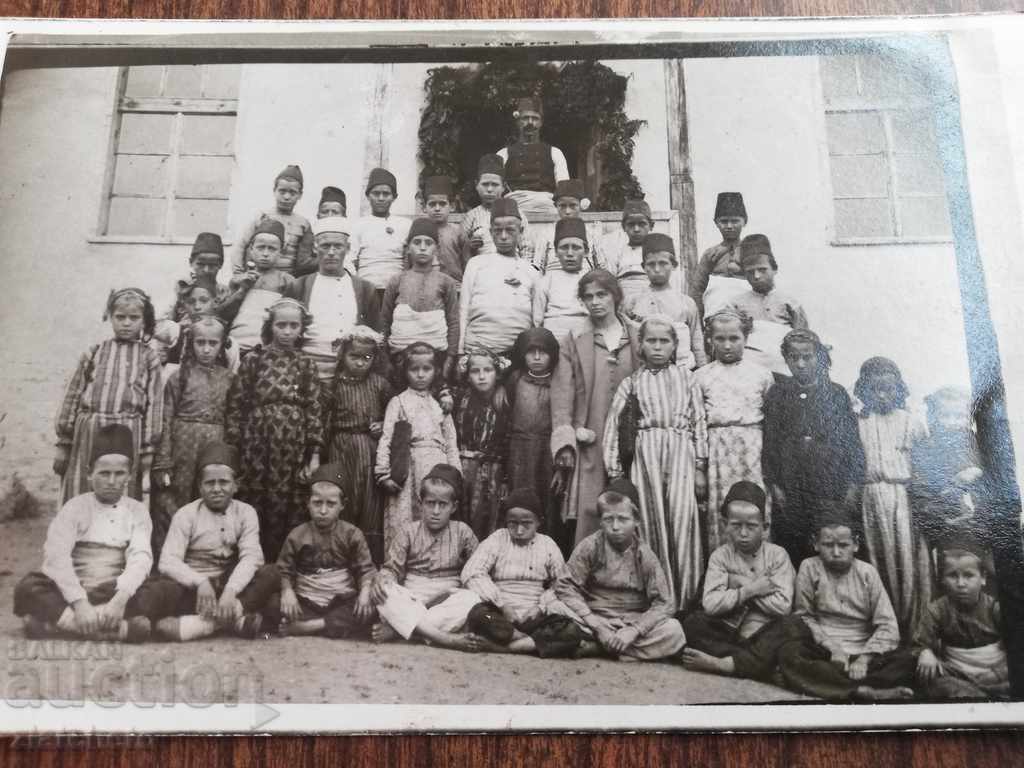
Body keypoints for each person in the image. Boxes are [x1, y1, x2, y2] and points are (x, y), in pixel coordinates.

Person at [14, 425, 163, 642]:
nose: (111, 482)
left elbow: (140, 557)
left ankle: (61, 625)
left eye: (119, 474)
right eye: (104, 473)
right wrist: (80, 603)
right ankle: (116, 630)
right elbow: (56, 558)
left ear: (130, 476)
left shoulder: (137, 511)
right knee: (28, 586)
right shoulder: (74, 507)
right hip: (75, 588)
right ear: (89, 474)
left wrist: (120, 600)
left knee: (162, 588)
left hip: (113, 591)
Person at [602, 315, 707, 612]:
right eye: (651, 341)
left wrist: (700, 465)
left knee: (682, 521)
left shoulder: (687, 378)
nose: (658, 347)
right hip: (645, 453)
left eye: (664, 341)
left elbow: (699, 420)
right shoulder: (632, 383)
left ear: (675, 346)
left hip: (680, 451)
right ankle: (656, 600)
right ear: (641, 346)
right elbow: (613, 425)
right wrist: (616, 473)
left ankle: (686, 601)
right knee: (649, 521)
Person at [777, 511, 916, 701]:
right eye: (828, 545)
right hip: (824, 649)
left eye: (843, 545)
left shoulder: (867, 572)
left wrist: (864, 659)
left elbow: (888, 625)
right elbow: (804, 616)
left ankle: (835, 686)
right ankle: (861, 691)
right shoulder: (809, 567)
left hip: (865, 649)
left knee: (910, 659)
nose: (836, 552)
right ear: (816, 544)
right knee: (789, 653)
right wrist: (833, 648)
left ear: (856, 545)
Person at [225, 298, 322, 562]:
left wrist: (313, 454)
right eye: (281, 325)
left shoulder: (306, 364)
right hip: (257, 440)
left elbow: (313, 408)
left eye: (294, 326)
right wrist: (236, 446)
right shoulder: (254, 359)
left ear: (302, 329)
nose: (287, 331)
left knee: (288, 498)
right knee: (255, 494)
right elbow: (236, 405)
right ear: (271, 326)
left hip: (293, 442)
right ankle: (251, 560)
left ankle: (284, 564)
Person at [551, 269, 641, 547]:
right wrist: (566, 439)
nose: (595, 302)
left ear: (616, 296)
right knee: (590, 506)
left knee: (631, 500)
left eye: (602, 294)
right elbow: (562, 392)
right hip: (590, 432)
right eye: (588, 297)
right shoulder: (575, 338)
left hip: (633, 434)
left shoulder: (638, 335)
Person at [155, 441, 279, 641]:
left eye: (224, 482)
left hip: (228, 589)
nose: (217, 489)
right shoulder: (186, 514)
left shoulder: (246, 512)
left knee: (272, 573)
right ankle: (236, 620)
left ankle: (203, 625)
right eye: (209, 483)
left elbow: (252, 557)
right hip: (195, 591)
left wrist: (231, 591)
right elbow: (167, 561)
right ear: (199, 486)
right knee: (159, 591)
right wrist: (200, 582)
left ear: (235, 485)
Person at [552, 480, 686, 661]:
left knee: (674, 630)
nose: (615, 527)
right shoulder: (590, 546)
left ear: (636, 520)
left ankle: (598, 649)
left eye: (623, 519)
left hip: (631, 621)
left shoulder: (645, 555)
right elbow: (565, 586)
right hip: (594, 617)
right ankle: (618, 648)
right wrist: (598, 626)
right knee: (554, 607)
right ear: (601, 521)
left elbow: (664, 603)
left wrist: (634, 630)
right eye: (608, 519)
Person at [680, 481, 801, 681]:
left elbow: (782, 606)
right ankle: (758, 665)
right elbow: (710, 604)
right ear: (725, 524)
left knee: (793, 627)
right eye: (736, 525)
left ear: (765, 527)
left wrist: (737, 583)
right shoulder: (720, 556)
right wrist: (751, 589)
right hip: (730, 632)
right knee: (693, 623)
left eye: (751, 526)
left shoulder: (778, 556)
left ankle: (725, 664)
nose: (743, 533)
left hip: (765, 632)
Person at [763, 329, 864, 567]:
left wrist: (853, 484)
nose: (800, 364)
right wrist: (775, 483)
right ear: (785, 359)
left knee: (828, 531)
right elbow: (770, 441)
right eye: (793, 357)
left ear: (818, 357)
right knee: (793, 532)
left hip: (829, 477)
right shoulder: (777, 394)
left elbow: (851, 442)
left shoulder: (836, 393)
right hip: (791, 477)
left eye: (807, 357)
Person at [54, 288, 163, 505]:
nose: (126, 323)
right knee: (84, 487)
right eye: (120, 317)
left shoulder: (149, 357)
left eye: (134, 318)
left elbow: (154, 404)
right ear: (110, 317)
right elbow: (73, 395)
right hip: (89, 432)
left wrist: (148, 450)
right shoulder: (94, 352)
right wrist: (64, 442)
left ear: (144, 320)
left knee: (121, 490)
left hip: (128, 433)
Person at [854, 356, 932, 634]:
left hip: (903, 498)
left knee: (907, 559)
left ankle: (914, 626)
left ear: (899, 389)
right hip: (872, 497)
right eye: (875, 389)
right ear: (864, 391)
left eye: (889, 388)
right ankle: (886, 625)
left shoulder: (911, 422)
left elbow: (924, 463)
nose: (882, 395)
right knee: (878, 557)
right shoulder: (860, 422)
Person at [371, 464, 485, 651]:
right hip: (413, 595)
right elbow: (392, 568)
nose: (436, 511)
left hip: (447, 597)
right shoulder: (408, 531)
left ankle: (401, 629)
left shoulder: (463, 532)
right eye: (431, 503)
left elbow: (477, 570)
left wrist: (454, 591)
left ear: (454, 506)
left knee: (472, 599)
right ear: (420, 503)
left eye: (443, 505)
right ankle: (445, 638)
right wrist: (383, 580)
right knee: (385, 593)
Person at [151, 315, 235, 561]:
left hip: (213, 446)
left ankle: (201, 559)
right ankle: (166, 560)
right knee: (173, 500)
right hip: (182, 446)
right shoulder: (179, 376)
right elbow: (165, 417)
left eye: (213, 343)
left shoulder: (229, 377)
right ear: (191, 343)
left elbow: (232, 419)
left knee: (208, 499)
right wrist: (163, 460)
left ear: (222, 344)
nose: (206, 349)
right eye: (200, 343)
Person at [693, 310, 775, 553]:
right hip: (718, 451)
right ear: (710, 341)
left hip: (753, 449)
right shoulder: (701, 376)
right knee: (722, 509)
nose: (727, 345)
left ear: (746, 338)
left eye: (734, 338)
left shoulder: (762, 375)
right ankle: (723, 570)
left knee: (757, 506)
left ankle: (762, 569)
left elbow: (771, 422)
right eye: (720, 339)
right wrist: (700, 466)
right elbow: (697, 423)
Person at [264, 463, 377, 638]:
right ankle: (329, 626)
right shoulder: (297, 535)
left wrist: (365, 592)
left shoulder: (352, 534)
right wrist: (287, 592)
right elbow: (283, 570)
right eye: (317, 503)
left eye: (331, 504)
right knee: (272, 603)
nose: (323, 510)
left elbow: (366, 570)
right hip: (306, 601)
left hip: (340, 601)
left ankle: (307, 627)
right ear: (308, 503)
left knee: (371, 606)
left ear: (342, 505)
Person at [460, 490, 576, 656]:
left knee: (570, 628)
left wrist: (540, 607)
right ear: (506, 521)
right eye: (513, 523)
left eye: (526, 523)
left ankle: (503, 647)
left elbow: (561, 583)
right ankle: (529, 642)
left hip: (533, 615)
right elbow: (472, 572)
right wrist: (502, 605)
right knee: (478, 615)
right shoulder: (498, 539)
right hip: (500, 614)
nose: (519, 530)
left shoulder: (547, 544)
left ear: (539, 522)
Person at [375, 342, 461, 551]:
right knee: (405, 517)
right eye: (414, 369)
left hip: (437, 468)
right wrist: (383, 473)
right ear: (405, 372)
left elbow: (451, 443)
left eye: (427, 369)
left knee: (434, 513)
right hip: (408, 468)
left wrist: (456, 475)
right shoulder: (399, 401)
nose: (421, 375)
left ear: (436, 371)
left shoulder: (441, 404)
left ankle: (432, 564)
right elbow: (386, 438)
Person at [321, 326, 393, 563]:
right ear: (343, 356)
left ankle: (367, 560)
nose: (360, 363)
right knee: (343, 497)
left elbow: (393, 414)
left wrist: (383, 424)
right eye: (354, 356)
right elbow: (324, 420)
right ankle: (339, 556)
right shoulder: (334, 385)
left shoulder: (380, 384)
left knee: (370, 501)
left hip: (369, 448)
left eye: (367, 358)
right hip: (340, 447)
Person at [284, 216, 383, 386]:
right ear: (315, 248)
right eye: (325, 246)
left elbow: (377, 336)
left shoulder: (365, 289)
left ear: (348, 248)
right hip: (306, 371)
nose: (331, 252)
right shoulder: (299, 286)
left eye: (338, 246)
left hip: (351, 374)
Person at [913, 538, 1009, 700]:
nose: (961, 583)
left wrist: (998, 673)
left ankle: (979, 696)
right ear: (943, 579)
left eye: (969, 575)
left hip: (995, 672)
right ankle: (978, 697)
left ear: (983, 578)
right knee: (924, 672)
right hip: (956, 672)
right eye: (952, 576)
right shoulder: (937, 609)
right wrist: (925, 652)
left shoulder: (995, 608)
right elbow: (920, 641)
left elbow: (1018, 648)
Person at [458, 196, 538, 360]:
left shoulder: (531, 271)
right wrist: (460, 352)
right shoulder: (476, 264)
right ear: (490, 232)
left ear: (521, 231)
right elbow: (463, 308)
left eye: (510, 230)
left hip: (518, 355)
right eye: (497, 230)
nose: (503, 236)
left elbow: (537, 319)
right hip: (478, 353)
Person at [505, 328, 564, 551]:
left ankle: (544, 555)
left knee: (547, 504)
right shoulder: (515, 379)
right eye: (531, 352)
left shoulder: (559, 382)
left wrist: (559, 466)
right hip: (519, 452)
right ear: (522, 354)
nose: (537, 358)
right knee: (519, 501)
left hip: (547, 452)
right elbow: (507, 419)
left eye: (543, 352)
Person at [382, 217, 460, 382]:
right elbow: (385, 321)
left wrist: (449, 360)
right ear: (408, 248)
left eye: (428, 243)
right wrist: (385, 359)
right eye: (417, 242)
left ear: (437, 249)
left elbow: (453, 322)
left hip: (436, 358)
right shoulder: (397, 280)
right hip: (400, 359)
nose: (423, 247)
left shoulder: (446, 282)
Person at [911, 386, 984, 550]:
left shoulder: (971, 440)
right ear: (933, 417)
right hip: (941, 506)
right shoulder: (928, 445)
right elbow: (922, 479)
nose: (952, 422)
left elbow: (981, 468)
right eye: (945, 415)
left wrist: (973, 472)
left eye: (959, 416)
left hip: (969, 504)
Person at [725, 234, 809, 376]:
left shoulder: (789, 302)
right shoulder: (736, 304)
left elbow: (803, 338)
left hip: (784, 370)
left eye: (762, 269)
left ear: (774, 269)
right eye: (750, 272)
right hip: (749, 371)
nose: (757, 276)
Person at [622, 232, 706, 370]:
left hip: (682, 372)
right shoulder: (633, 302)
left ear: (673, 265)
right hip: (645, 374)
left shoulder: (686, 303)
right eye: (651, 264)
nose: (656, 269)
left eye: (663, 263)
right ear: (643, 267)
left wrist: (702, 372)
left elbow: (697, 342)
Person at [453, 349, 510, 541]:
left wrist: (505, 479)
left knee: (489, 517)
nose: (482, 376)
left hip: (493, 470)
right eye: (475, 371)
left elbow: (508, 440)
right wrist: (444, 393)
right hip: (464, 467)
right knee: (463, 515)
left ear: (498, 374)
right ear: (467, 376)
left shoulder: (504, 400)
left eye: (488, 370)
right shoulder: (460, 397)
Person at [221, 219, 295, 355]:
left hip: (267, 350)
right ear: (251, 249)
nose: (266, 253)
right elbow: (224, 315)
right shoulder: (238, 279)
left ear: (281, 252)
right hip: (235, 345)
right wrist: (242, 291)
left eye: (272, 249)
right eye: (261, 247)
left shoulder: (286, 281)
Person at [595, 199, 686, 305]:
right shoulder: (618, 253)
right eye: (631, 224)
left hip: (655, 299)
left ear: (651, 225)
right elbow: (611, 282)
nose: (636, 229)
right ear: (623, 227)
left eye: (642, 224)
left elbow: (670, 280)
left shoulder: (660, 252)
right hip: (624, 300)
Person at [231, 164, 313, 277]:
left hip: (287, 279)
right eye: (282, 191)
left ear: (300, 195)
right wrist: (238, 273)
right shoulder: (262, 217)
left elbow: (304, 259)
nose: (287, 197)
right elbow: (241, 245)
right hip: (257, 275)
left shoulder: (303, 224)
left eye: (292, 192)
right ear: (274, 191)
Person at [495, 96, 570, 217]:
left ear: (541, 123)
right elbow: (495, 191)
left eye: (535, 118)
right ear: (518, 121)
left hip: (548, 211)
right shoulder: (503, 154)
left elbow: (564, 190)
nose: (530, 122)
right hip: (514, 212)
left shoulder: (555, 153)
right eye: (525, 118)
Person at [349, 167, 411, 298]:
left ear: (394, 197)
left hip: (397, 290)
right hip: (366, 289)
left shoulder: (405, 225)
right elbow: (350, 260)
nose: (381, 198)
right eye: (376, 193)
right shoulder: (359, 225)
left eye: (386, 194)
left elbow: (410, 258)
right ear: (368, 196)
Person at [461, 153, 532, 263]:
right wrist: (470, 246)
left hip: (513, 268)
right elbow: (462, 248)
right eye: (485, 184)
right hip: (482, 268)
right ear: (476, 185)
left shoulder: (518, 215)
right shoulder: (471, 216)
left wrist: (522, 273)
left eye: (494, 184)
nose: (489, 189)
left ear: (503, 186)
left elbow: (527, 248)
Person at [690, 192, 748, 318]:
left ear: (744, 221)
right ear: (716, 222)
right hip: (715, 315)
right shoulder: (710, 254)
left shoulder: (751, 251)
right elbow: (697, 289)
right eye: (724, 221)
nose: (729, 226)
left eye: (735, 221)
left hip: (745, 313)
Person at [531, 217, 590, 342]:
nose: (569, 253)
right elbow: (537, 319)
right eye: (564, 247)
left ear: (586, 251)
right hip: (553, 339)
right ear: (556, 252)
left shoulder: (591, 280)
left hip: (584, 339)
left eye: (576, 247)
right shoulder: (547, 280)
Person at [157, 232, 231, 324]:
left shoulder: (224, 293)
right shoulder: (183, 289)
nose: (206, 270)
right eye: (200, 264)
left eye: (212, 265)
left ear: (221, 265)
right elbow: (164, 321)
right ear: (191, 262)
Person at [529, 178, 593, 274]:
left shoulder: (591, 233)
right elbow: (538, 268)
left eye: (573, 206)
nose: (567, 211)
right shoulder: (546, 233)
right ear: (556, 206)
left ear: (581, 206)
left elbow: (601, 267)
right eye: (562, 206)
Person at [421, 175, 467, 284]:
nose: (437, 208)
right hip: (427, 287)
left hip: (455, 285)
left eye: (442, 204)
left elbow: (467, 262)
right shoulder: (419, 232)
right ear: (424, 207)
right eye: (432, 204)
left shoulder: (458, 232)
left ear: (452, 206)